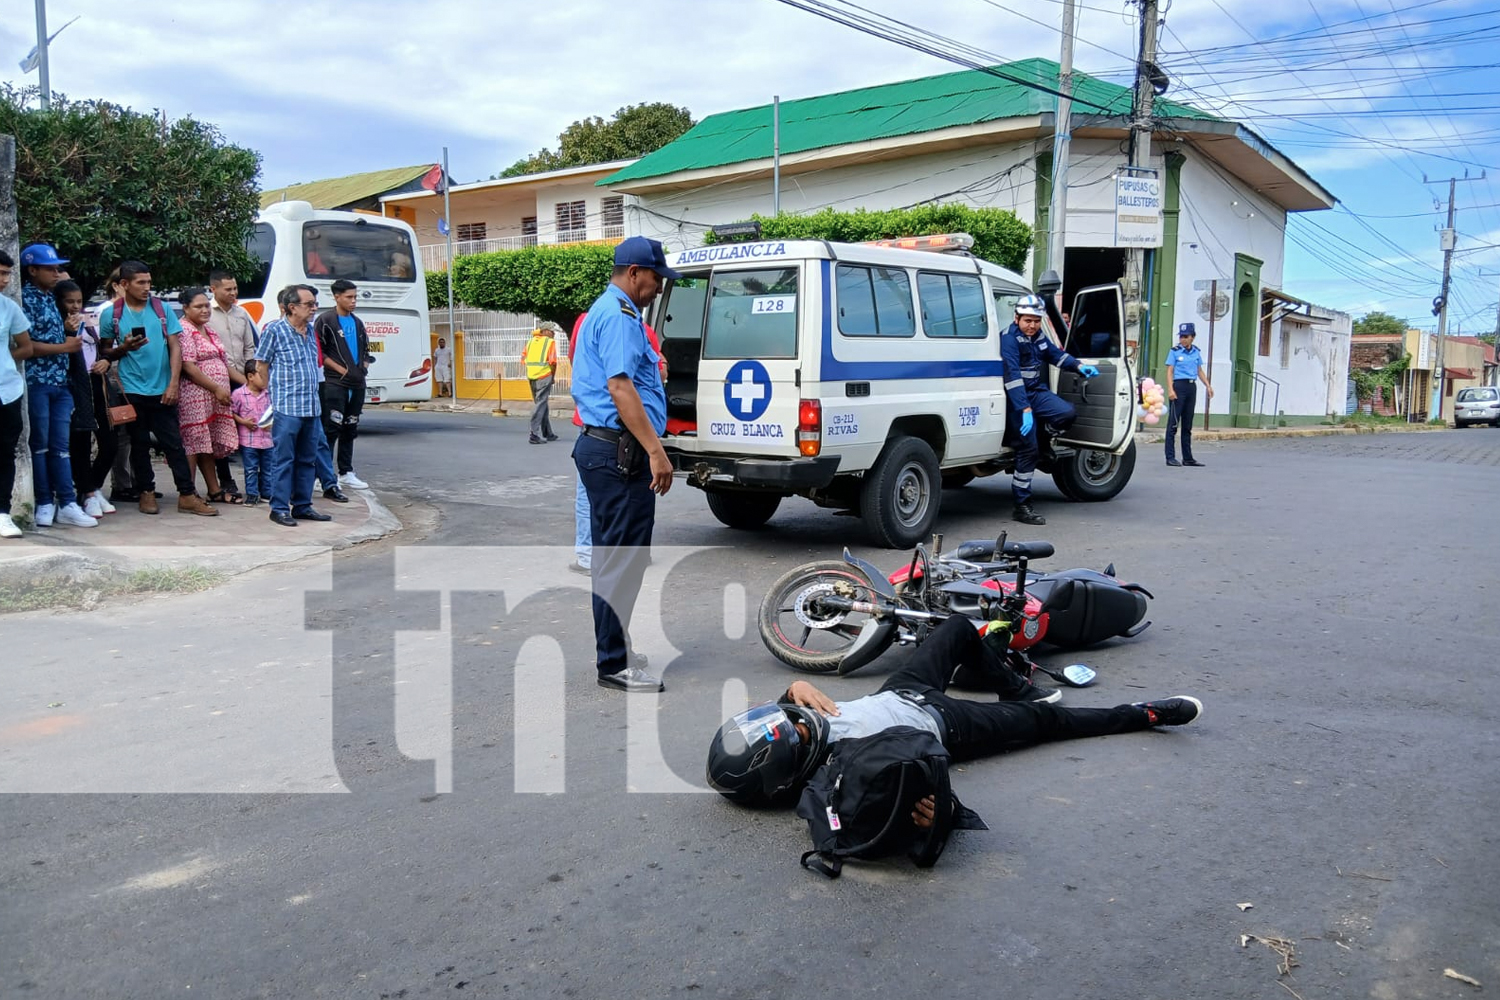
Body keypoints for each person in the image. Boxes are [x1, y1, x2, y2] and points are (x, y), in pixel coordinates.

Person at [707, 615, 1203, 816]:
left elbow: (787, 717)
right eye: (795, 728)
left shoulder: (796, 736)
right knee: (1051, 726)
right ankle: (1147, 714)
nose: (799, 718)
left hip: (901, 689)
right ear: (788, 770)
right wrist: (929, 815)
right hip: (948, 723)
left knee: (959, 627)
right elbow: (889, 812)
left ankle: (1018, 689)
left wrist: (793, 686)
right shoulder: (837, 779)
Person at [571, 236, 678, 693]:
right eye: (655, 278)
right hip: (620, 453)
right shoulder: (617, 316)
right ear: (634, 272)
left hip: (608, 450)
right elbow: (620, 388)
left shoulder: (616, 311)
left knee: (615, 559)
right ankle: (613, 663)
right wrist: (656, 451)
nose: (658, 288)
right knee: (622, 562)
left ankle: (617, 647)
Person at [97, 260, 216, 516]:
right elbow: (104, 351)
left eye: (149, 282)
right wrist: (124, 348)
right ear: (124, 284)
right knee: (139, 444)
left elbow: (175, 346)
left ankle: (187, 494)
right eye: (140, 282)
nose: (146, 287)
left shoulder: (161, 309)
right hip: (131, 389)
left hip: (163, 388)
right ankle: (146, 493)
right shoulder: (112, 314)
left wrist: (173, 383)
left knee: (174, 444)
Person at [567, 313, 666, 576]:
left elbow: (575, 359)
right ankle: (609, 557)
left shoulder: (586, 321)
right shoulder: (641, 329)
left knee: (591, 497)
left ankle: (592, 556)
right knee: (614, 497)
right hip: (619, 429)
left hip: (604, 426)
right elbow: (654, 374)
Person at [1000, 294, 1099, 526]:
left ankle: (1044, 441)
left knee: (1066, 413)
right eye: (1028, 320)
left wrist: (1079, 366)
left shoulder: (1038, 336)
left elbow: (1054, 354)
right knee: (1028, 450)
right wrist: (1023, 408)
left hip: (1036, 393)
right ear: (1017, 318)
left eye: (1036, 320)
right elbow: (1012, 377)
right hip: (1017, 399)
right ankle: (1022, 506)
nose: (1032, 325)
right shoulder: (1009, 339)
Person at [19, 244, 97, 528]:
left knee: (60, 446)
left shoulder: (52, 298)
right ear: (32, 270)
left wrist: (66, 334)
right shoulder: (23, 299)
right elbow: (25, 346)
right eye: (50, 268)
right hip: (36, 381)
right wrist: (64, 346)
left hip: (61, 383)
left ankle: (67, 502)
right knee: (39, 446)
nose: (56, 273)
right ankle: (43, 501)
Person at [254, 285, 330, 527]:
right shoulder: (275, 330)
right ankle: (278, 508)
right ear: (291, 307)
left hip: (311, 407)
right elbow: (261, 365)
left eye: (314, 303)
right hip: (287, 407)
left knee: (308, 459)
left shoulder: (310, 330)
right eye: (309, 304)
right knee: (283, 459)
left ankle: (302, 506)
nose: (314, 308)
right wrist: (270, 396)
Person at [55, 280, 117, 518]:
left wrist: (107, 360)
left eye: (78, 302)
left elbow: (105, 349)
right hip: (73, 387)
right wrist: (68, 330)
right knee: (79, 442)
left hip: (97, 384)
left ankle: (93, 485)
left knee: (110, 442)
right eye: (69, 302)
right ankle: (88, 492)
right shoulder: (59, 324)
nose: (75, 306)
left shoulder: (89, 320)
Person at [176, 288, 240, 502]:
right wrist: (216, 388)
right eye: (198, 306)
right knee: (193, 442)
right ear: (185, 308)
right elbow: (189, 367)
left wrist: (248, 383)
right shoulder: (184, 329)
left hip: (215, 396)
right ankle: (188, 493)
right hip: (195, 395)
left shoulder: (208, 330)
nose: (205, 310)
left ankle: (214, 490)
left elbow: (223, 363)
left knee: (207, 444)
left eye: (206, 305)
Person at [313, 279, 371, 489]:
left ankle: (346, 471)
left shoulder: (357, 323)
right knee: (330, 429)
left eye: (355, 297)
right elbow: (321, 352)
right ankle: (323, 475)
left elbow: (366, 350)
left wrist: (362, 367)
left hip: (357, 384)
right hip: (334, 384)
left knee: (350, 426)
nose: (353, 301)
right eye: (349, 297)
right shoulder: (325, 321)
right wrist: (342, 370)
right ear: (336, 297)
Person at [207, 270, 259, 500]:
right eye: (228, 289)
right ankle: (225, 480)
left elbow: (250, 347)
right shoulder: (205, 314)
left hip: (243, 379)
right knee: (221, 432)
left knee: (249, 428)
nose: (233, 293)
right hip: (216, 380)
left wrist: (251, 377)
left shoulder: (242, 313)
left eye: (235, 288)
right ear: (213, 289)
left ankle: (256, 482)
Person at [0, 250, 35, 538]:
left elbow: (26, 347)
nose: (4, 280)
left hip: (7, 392)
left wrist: (5, 360)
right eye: (0, 273)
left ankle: (2, 513)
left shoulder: (9, 308)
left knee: (4, 454)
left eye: (7, 273)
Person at [1164, 322, 1213, 468]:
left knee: (1187, 424)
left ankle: (1188, 457)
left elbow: (1199, 371)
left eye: (1186, 337)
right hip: (1179, 387)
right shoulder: (1175, 351)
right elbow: (1169, 372)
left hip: (1192, 387)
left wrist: (1208, 385)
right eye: (1181, 336)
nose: (1183, 339)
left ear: (1193, 337)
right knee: (1173, 423)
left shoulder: (1196, 352)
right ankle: (1170, 457)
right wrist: (1170, 389)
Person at [230, 359, 273, 506]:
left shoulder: (269, 394)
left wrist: (271, 424)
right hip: (249, 441)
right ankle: (252, 494)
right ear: (250, 376)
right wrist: (243, 422)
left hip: (267, 440)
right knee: (251, 469)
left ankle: (266, 492)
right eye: (262, 375)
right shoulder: (239, 394)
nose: (266, 379)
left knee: (268, 469)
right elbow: (232, 412)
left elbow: (274, 412)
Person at [523, 322, 560, 444]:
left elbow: (524, 359)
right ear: (545, 331)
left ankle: (547, 432)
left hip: (532, 376)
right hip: (544, 376)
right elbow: (553, 362)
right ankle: (534, 433)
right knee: (540, 404)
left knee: (541, 403)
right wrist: (552, 376)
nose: (554, 333)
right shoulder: (550, 342)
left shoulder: (530, 342)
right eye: (552, 331)